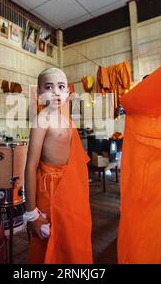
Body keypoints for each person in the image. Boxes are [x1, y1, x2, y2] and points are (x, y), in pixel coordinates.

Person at [23, 67, 93, 264]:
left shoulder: (67, 120)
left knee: (71, 242)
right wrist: (31, 213)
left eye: (61, 87)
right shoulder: (41, 120)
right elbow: (30, 166)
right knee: (50, 242)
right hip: (50, 192)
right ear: (38, 92)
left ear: (68, 92)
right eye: (48, 87)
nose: (55, 92)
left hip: (71, 191)